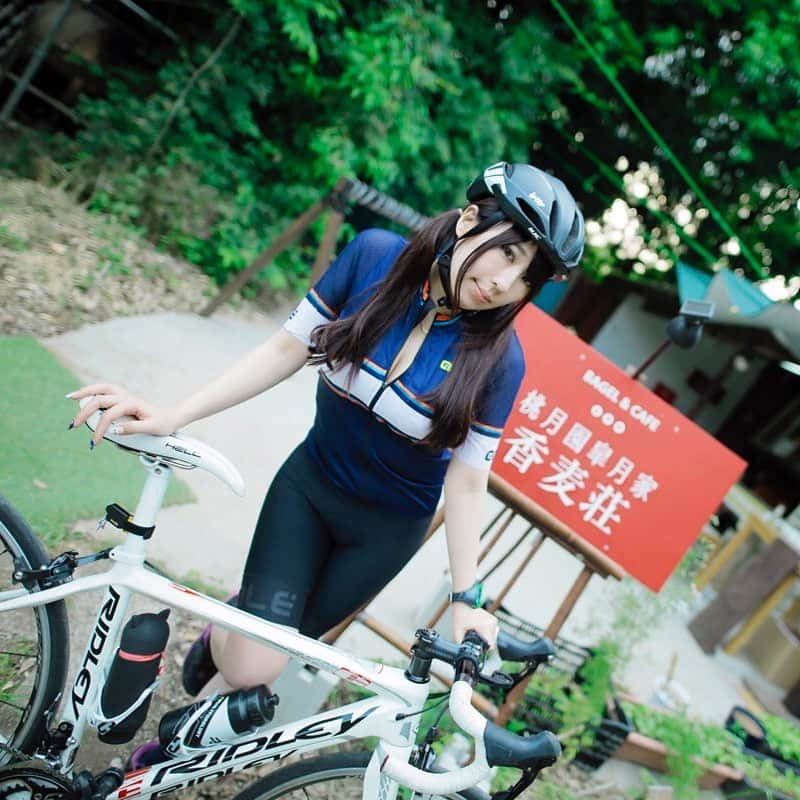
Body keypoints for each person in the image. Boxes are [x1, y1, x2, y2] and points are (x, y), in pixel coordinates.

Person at [69, 161, 585, 766]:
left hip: (385, 535)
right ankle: (230, 627)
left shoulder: (501, 361)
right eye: (509, 252)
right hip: (309, 491)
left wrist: (469, 598)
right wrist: (175, 413)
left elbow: (468, 483)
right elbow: (286, 348)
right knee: (254, 660)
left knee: (257, 670)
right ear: (471, 218)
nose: (505, 282)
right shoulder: (374, 258)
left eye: (528, 275)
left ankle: (153, 764)